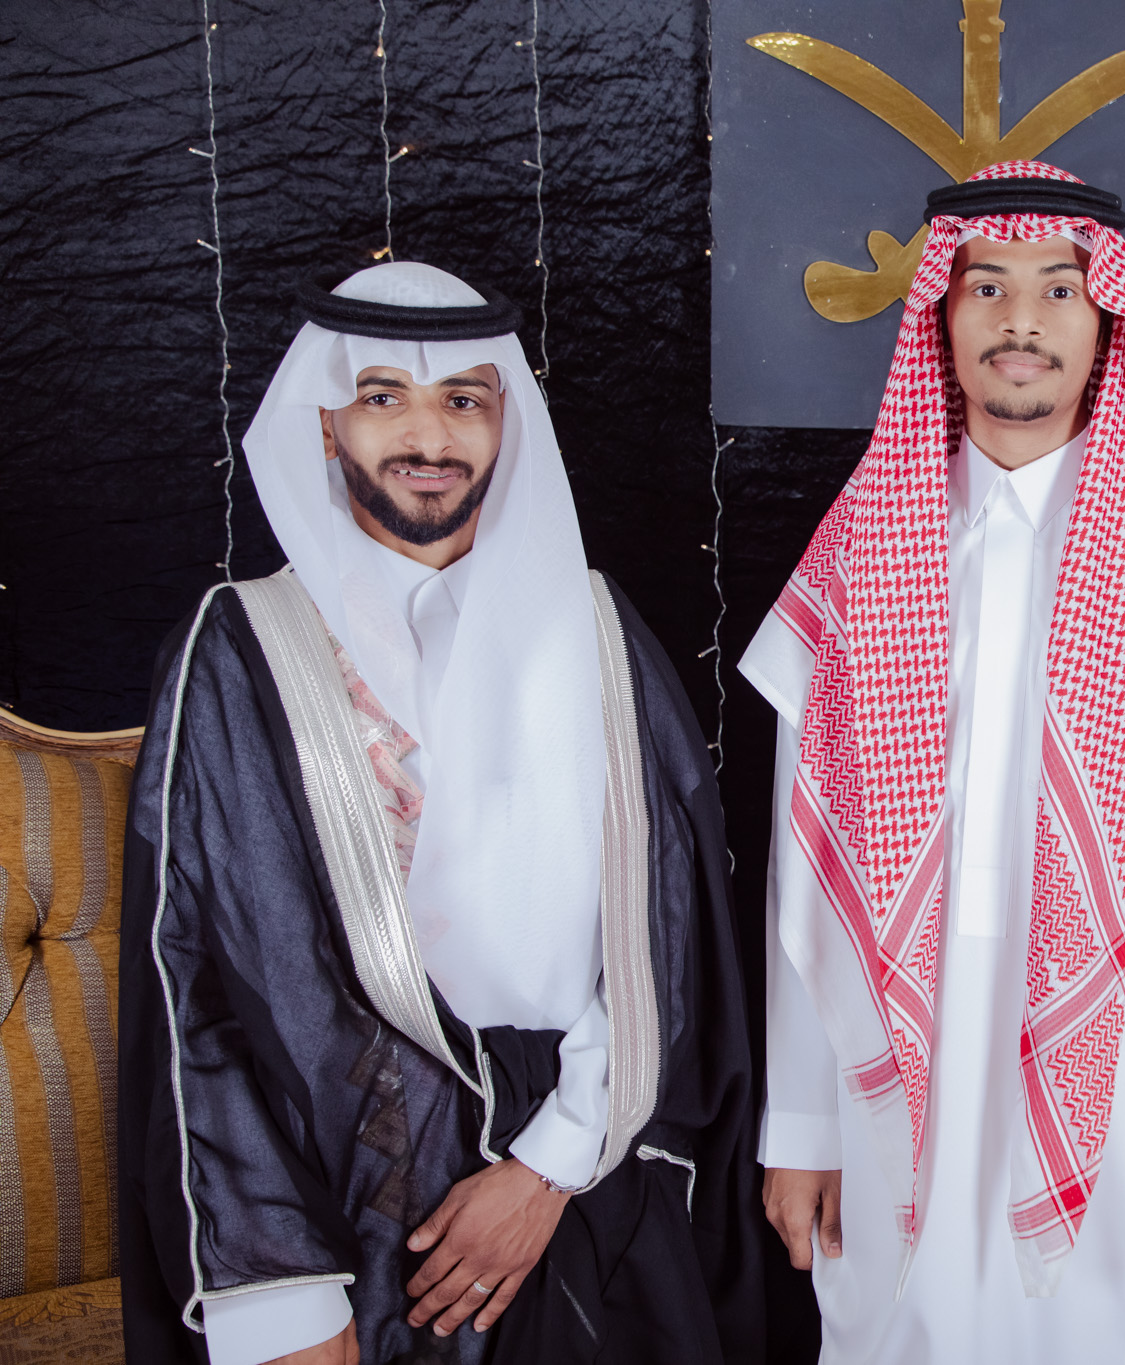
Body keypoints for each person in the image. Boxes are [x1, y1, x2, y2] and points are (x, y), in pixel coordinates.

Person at [119, 262, 760, 1365]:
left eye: (464, 399)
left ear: (505, 421)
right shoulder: (244, 647)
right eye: (383, 397)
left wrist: (550, 1164)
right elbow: (198, 985)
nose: (429, 436)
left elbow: (666, 926)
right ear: (327, 426)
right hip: (356, 1212)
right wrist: (279, 1290)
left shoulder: (593, 632)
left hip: (589, 1185)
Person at [738, 161, 1125, 1362]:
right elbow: (809, 860)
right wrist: (801, 1123)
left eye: (1059, 289)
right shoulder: (863, 543)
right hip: (887, 1073)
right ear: (939, 318)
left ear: (1106, 324)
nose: (1020, 320)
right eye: (986, 286)